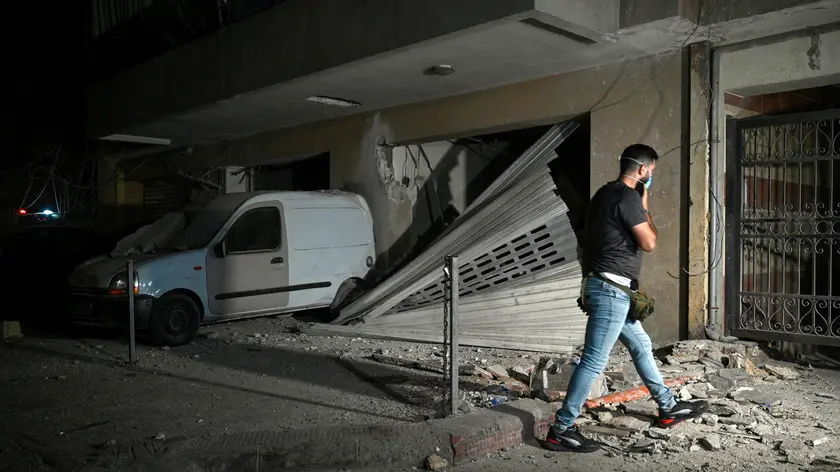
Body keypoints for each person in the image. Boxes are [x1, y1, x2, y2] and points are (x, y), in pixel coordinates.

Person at [543, 144, 708, 453]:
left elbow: (589, 243)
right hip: (611, 290)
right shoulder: (628, 197)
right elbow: (649, 242)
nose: (651, 177)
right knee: (593, 360)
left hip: (606, 286)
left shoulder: (602, 196)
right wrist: (644, 201)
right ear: (643, 170)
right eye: (652, 172)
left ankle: (668, 407)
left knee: (641, 345)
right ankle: (561, 429)